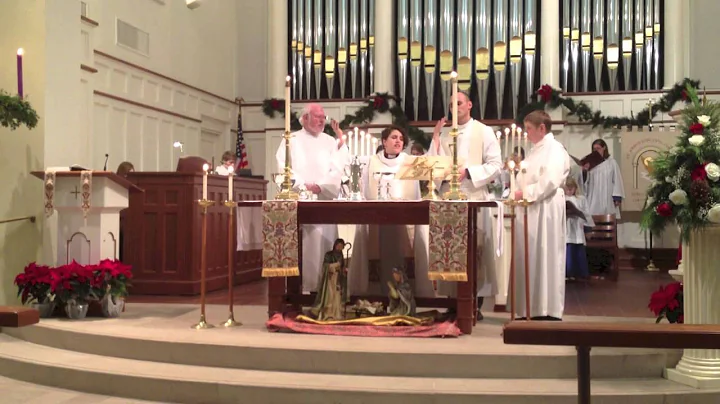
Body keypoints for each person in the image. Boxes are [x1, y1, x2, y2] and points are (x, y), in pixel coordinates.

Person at [427, 91, 503, 320]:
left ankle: (473, 304)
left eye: (458, 103)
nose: (454, 107)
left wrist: (468, 172)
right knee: (448, 252)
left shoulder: (483, 131)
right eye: (451, 104)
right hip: (447, 202)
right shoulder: (445, 131)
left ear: (469, 105)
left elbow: (496, 165)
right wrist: (436, 140)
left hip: (473, 198)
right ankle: (451, 304)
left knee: (474, 253)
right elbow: (432, 165)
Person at [347, 125, 435, 299]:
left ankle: (406, 296)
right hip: (376, 220)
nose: (398, 141)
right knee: (375, 252)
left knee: (405, 253)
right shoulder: (371, 161)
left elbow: (432, 164)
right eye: (394, 137)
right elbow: (362, 188)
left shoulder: (410, 162)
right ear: (384, 141)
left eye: (401, 139)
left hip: (405, 220)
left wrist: (437, 135)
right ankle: (374, 296)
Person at [275, 103, 344, 293]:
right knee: (306, 247)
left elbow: (336, 169)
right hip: (301, 200)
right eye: (317, 117)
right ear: (304, 118)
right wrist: (303, 185)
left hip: (324, 200)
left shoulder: (330, 141)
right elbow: (284, 167)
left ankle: (329, 291)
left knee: (327, 244)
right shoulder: (291, 140)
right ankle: (304, 290)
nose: (322, 120)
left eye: (323, 117)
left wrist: (320, 186)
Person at [513, 110, 570, 320]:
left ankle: (547, 308)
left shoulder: (554, 149)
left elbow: (551, 180)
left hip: (545, 208)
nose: (526, 133)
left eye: (529, 128)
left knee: (546, 255)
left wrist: (526, 193)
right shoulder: (536, 150)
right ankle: (530, 307)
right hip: (530, 209)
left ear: (542, 128)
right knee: (531, 256)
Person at [583, 139, 624, 218]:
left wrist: (617, 197)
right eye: (594, 149)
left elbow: (617, 180)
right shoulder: (590, 163)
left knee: (608, 218)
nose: (596, 151)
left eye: (598, 148)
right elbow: (585, 182)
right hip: (593, 197)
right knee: (593, 220)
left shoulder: (611, 163)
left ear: (604, 148)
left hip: (607, 197)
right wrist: (584, 172)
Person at [564, 177, 594, 280]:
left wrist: (588, 229)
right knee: (568, 250)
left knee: (578, 249)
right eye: (567, 189)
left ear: (575, 188)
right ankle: (568, 273)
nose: (569, 191)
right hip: (566, 227)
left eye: (571, 189)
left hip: (578, 227)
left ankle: (580, 273)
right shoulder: (561, 199)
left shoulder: (581, 199)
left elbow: (587, 213)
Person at [310, 238, 348, 321]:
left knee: (337, 297)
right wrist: (334, 265)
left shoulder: (341, 255)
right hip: (330, 279)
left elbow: (342, 267)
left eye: (341, 246)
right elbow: (325, 265)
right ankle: (327, 314)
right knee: (329, 297)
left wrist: (344, 270)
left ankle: (336, 314)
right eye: (338, 245)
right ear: (335, 245)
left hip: (338, 279)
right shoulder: (329, 254)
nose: (339, 247)